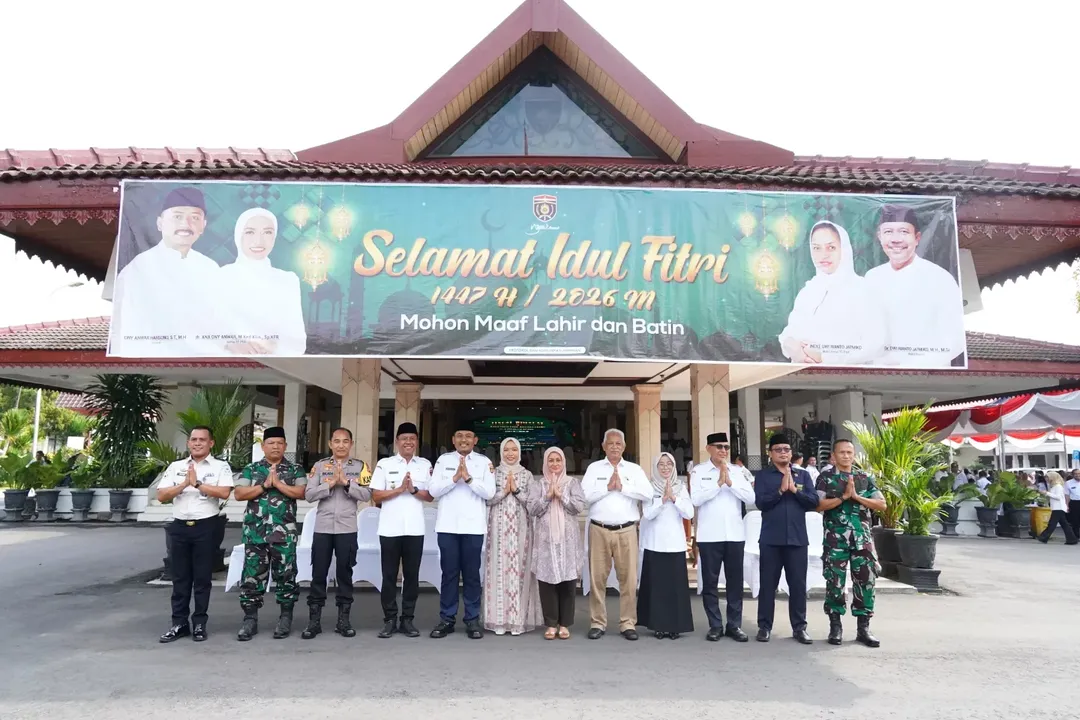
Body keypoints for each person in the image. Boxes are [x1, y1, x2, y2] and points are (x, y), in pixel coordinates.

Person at [111, 187, 222, 356]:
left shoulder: (210, 268)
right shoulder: (137, 270)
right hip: (153, 362)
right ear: (160, 223)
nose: (186, 224)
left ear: (203, 226)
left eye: (195, 218)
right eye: (177, 216)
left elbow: (219, 322)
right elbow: (122, 331)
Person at [156, 426, 234, 643]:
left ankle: (199, 623)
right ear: (188, 443)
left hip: (206, 526)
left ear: (211, 443)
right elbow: (162, 495)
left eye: (202, 439)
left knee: (202, 578)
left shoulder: (220, 466)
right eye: (194, 439)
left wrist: (198, 483)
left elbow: (224, 492)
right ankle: (179, 623)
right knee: (180, 577)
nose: (197, 443)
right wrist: (184, 483)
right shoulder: (176, 467)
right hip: (180, 526)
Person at [865, 205, 965, 368]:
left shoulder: (939, 278)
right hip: (876, 373)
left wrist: (911, 365)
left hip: (925, 375)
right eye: (888, 232)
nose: (896, 239)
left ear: (917, 238)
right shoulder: (871, 278)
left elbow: (955, 339)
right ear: (879, 237)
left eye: (904, 232)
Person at [233, 426, 307, 641]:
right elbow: (239, 493)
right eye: (271, 443)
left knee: (286, 576)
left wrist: (279, 484)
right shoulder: (251, 468)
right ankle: (250, 620)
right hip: (255, 533)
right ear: (263, 446)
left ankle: (285, 618)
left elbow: (301, 492)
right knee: (252, 577)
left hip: (284, 535)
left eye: (279, 443)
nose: (275, 447)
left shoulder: (295, 469)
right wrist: (264, 486)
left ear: (285, 446)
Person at [778, 220, 886, 365]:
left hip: (846, 376)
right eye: (817, 248)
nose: (823, 255)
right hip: (801, 374)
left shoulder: (862, 289)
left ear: (844, 249)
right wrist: (792, 347)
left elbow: (875, 344)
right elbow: (790, 332)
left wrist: (825, 358)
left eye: (831, 247)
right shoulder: (809, 290)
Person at [301, 427, 372, 640]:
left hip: (347, 528)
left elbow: (368, 494)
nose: (341, 445)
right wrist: (330, 484)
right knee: (318, 574)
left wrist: (347, 484)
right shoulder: (319, 466)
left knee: (345, 574)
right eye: (337, 441)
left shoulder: (361, 467)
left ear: (351, 444)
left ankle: (343, 621)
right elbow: (309, 495)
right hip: (322, 528)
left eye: (345, 441)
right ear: (330, 443)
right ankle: (314, 622)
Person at [581, 428, 652, 641]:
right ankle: (597, 622)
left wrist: (623, 487)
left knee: (628, 579)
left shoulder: (634, 469)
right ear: (603, 446)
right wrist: (606, 487)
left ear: (624, 447)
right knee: (597, 579)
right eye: (610, 443)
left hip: (626, 530)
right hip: (599, 529)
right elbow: (584, 496)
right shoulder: (594, 468)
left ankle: (627, 622)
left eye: (618, 443)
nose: (614, 447)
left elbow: (647, 493)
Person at [816, 438, 887, 647]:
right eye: (842, 452)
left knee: (866, 581)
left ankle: (863, 628)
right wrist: (843, 498)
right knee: (835, 582)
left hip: (862, 539)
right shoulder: (826, 478)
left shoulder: (864, 477)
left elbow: (881, 504)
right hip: (835, 539)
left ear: (854, 455)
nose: (846, 456)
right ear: (833, 456)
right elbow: (817, 505)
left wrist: (856, 497)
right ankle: (835, 626)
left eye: (849, 452)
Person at [429, 425, 496, 639]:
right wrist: (454, 478)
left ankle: (472, 619)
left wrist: (468, 479)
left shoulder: (484, 462)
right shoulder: (443, 461)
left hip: (473, 527)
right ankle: (447, 619)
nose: (463, 440)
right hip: (447, 526)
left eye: (468, 436)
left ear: (475, 440)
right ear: (453, 439)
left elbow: (490, 493)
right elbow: (433, 490)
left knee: (471, 575)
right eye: (459, 436)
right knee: (449, 574)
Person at [754, 432, 819, 644]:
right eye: (778, 450)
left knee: (797, 585)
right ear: (770, 453)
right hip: (771, 539)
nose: (783, 453)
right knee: (767, 585)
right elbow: (761, 503)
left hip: (797, 540)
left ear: (791, 453)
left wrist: (795, 491)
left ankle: (799, 628)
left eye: (786, 449)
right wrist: (780, 491)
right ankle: (764, 627)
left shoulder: (803, 475)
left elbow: (813, 502)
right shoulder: (763, 476)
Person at [370, 422, 433, 639]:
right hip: (390, 529)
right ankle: (389, 619)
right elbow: (376, 496)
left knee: (412, 576)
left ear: (417, 442)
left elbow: (430, 496)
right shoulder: (384, 464)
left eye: (412, 438)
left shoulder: (424, 465)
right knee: (388, 576)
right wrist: (398, 489)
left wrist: (413, 490)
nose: (408, 442)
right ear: (397, 441)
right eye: (404, 438)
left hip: (415, 529)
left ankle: (407, 619)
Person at [691, 432, 755, 642]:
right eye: (718, 446)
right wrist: (718, 484)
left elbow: (751, 497)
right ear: (708, 448)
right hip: (709, 535)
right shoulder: (699, 471)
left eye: (726, 447)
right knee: (710, 583)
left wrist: (731, 484)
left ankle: (734, 625)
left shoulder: (738, 471)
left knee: (735, 582)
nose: (723, 451)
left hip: (734, 535)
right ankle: (715, 625)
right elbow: (696, 499)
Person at [218, 208, 307, 356]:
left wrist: (272, 347)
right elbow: (204, 331)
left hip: (275, 363)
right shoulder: (220, 277)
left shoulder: (288, 280)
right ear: (238, 235)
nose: (258, 241)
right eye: (250, 232)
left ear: (275, 237)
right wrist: (231, 344)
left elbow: (297, 341)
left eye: (267, 232)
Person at [525, 447, 586, 640]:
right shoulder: (538, 485)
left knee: (568, 582)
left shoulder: (572, 483)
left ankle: (564, 624)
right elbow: (532, 509)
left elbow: (578, 506)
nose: (554, 464)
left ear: (564, 462)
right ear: (545, 463)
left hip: (567, 541)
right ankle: (551, 624)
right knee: (547, 582)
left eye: (558, 460)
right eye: (550, 460)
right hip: (546, 540)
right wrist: (547, 497)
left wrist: (561, 496)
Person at [483, 437, 542, 635]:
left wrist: (515, 491)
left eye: (514, 450)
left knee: (519, 570)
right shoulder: (493, 473)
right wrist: (503, 492)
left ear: (519, 452)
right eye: (506, 450)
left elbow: (533, 503)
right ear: (501, 452)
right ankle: (498, 620)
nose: (510, 453)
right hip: (498, 529)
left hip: (521, 529)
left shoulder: (527, 475)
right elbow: (486, 499)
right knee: (498, 569)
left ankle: (517, 621)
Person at [638, 452, 694, 639]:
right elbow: (647, 514)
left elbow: (689, 513)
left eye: (669, 464)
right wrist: (662, 500)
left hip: (675, 544)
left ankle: (675, 626)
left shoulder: (680, 487)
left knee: (675, 588)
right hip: (655, 543)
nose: (665, 468)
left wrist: (674, 498)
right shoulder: (649, 487)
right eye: (661, 464)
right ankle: (658, 625)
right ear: (656, 467)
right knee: (657, 588)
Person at [1037, 472, 1078, 545]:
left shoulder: (1058, 486)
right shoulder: (1053, 486)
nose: (1046, 479)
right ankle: (1072, 539)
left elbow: (1058, 497)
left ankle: (1044, 537)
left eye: (1047, 477)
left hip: (1058, 507)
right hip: (1057, 507)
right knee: (1064, 524)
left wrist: (1047, 493)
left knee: (1052, 524)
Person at [1066, 469, 1080, 538]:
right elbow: (1067, 495)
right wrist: (1067, 505)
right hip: (1074, 503)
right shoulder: (1068, 483)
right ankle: (1076, 536)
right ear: (1072, 475)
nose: (1077, 475)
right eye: (1075, 474)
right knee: (1075, 520)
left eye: (1079, 473)